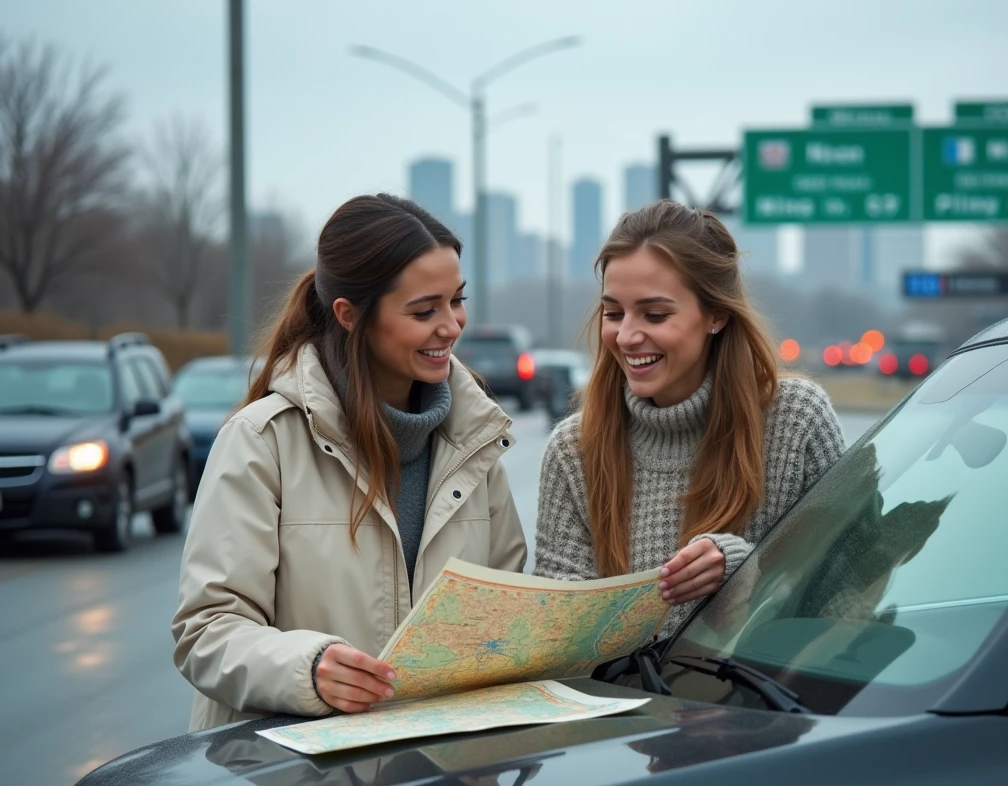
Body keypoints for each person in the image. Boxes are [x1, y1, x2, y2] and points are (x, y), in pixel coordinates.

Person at [172, 194, 526, 732]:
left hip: (442, 762)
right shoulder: (262, 440)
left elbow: (506, 611)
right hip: (287, 766)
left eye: (457, 300)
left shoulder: (475, 441)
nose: (452, 325)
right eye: (424, 310)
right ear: (349, 314)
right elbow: (207, 629)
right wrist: (307, 670)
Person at [534, 199, 845, 635]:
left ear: (716, 314)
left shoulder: (797, 420)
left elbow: (848, 596)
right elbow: (557, 628)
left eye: (655, 315)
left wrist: (742, 573)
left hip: (764, 681)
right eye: (614, 313)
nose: (626, 336)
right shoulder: (574, 449)